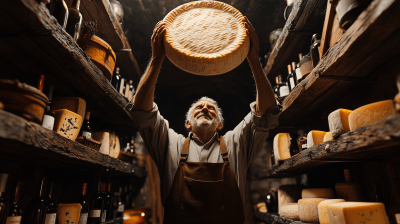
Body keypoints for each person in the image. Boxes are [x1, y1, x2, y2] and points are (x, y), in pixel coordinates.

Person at [126, 17, 281, 224]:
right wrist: (157, 59)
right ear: (187, 124)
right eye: (199, 107)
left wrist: (253, 60)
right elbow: (142, 111)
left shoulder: (236, 142)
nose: (206, 107)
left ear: (220, 125)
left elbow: (266, 112)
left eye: (212, 109)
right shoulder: (171, 144)